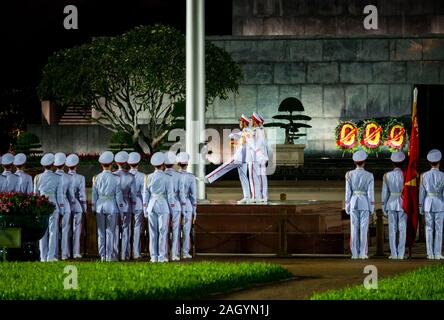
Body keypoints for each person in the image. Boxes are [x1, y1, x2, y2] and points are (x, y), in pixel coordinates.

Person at [205, 114, 253, 204]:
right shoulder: (245, 132)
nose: (239, 124)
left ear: (244, 123)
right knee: (243, 178)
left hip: (239, 157)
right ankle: (247, 197)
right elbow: (237, 140)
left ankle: (208, 178)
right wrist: (234, 139)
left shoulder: (246, 131)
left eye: (241, 122)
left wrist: (235, 137)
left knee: (224, 167)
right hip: (244, 158)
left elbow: (241, 139)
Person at [92, 151, 125, 262]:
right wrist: (121, 210)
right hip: (111, 205)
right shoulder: (116, 178)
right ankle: (109, 256)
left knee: (101, 232)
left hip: (99, 206)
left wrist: (93, 208)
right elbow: (119, 196)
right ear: (111, 164)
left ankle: (102, 256)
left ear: (101, 165)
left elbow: (94, 195)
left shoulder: (95, 178)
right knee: (110, 232)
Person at [143, 152, 175, 263]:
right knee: (163, 231)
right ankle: (162, 256)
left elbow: (145, 194)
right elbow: (170, 196)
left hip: (151, 205)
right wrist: (172, 210)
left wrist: (145, 209)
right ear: (163, 165)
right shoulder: (168, 178)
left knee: (153, 232)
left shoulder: (148, 177)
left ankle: (154, 257)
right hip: (163, 205)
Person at [34, 153, 64, 262]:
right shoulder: (58, 178)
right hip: (53, 204)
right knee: (53, 232)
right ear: (52, 165)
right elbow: (60, 195)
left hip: (41, 204)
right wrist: (62, 210)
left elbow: (35, 194)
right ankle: (50, 257)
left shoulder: (38, 177)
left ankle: (43, 257)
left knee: (43, 232)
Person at [345, 150, 375, 259]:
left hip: (353, 202)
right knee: (363, 228)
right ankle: (363, 253)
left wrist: (347, 205)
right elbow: (370, 193)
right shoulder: (369, 175)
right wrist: (372, 206)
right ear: (364, 162)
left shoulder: (349, 174)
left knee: (354, 228)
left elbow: (348, 192)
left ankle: (354, 253)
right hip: (364, 203)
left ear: (354, 162)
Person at [419, 149, 444, 260]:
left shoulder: (423, 176)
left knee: (428, 229)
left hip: (428, 203)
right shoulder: (443, 175)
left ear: (429, 162)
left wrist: (421, 206)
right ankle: (437, 253)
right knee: (439, 229)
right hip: (439, 203)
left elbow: (422, 192)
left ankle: (430, 253)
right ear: (439, 162)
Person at [381, 151, 407, 259]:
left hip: (391, 202)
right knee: (403, 229)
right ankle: (401, 254)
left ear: (392, 162)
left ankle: (393, 253)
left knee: (392, 229)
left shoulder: (387, 175)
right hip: (403, 203)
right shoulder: (406, 175)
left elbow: (384, 193)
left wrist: (383, 206)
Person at [113, 151, 137, 261]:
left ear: (116, 162)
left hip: (114, 205)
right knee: (126, 230)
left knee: (115, 229)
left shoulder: (113, 175)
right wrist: (133, 205)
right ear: (126, 162)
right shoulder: (131, 177)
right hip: (127, 204)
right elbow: (133, 195)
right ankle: (124, 255)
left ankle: (115, 254)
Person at [54, 152, 75, 260]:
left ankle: (55, 253)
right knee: (65, 229)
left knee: (54, 230)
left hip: (53, 204)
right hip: (65, 204)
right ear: (64, 164)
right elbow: (71, 195)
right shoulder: (68, 177)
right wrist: (73, 203)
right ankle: (64, 253)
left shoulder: (53, 176)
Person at [66, 154, 87, 259]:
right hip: (77, 206)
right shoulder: (80, 178)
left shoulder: (63, 177)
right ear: (76, 165)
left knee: (66, 229)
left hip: (66, 205)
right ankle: (75, 252)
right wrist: (84, 208)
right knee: (77, 230)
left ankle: (65, 252)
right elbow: (82, 195)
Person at [177, 152, 197, 259]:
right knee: (186, 229)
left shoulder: (173, 176)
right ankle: (185, 252)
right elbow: (193, 196)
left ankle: (175, 252)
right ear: (187, 164)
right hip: (188, 205)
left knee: (175, 230)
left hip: (176, 204)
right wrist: (195, 210)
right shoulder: (191, 177)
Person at [164, 151, 182, 261]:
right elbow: (181, 192)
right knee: (176, 229)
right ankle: (174, 254)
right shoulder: (178, 176)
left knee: (163, 230)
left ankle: (164, 253)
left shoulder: (161, 174)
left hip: (163, 203)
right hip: (175, 203)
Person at [128, 152, 146, 260]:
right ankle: (136, 252)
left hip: (126, 203)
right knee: (137, 228)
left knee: (125, 229)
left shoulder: (125, 175)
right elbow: (144, 192)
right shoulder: (143, 176)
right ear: (138, 163)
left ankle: (125, 252)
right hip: (138, 203)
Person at [250, 112, 269, 203]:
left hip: (258, 157)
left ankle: (260, 196)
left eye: (252, 120)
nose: (250, 121)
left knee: (258, 177)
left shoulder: (258, 130)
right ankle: (261, 196)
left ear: (255, 121)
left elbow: (257, 145)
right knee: (261, 177)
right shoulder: (259, 130)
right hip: (260, 156)